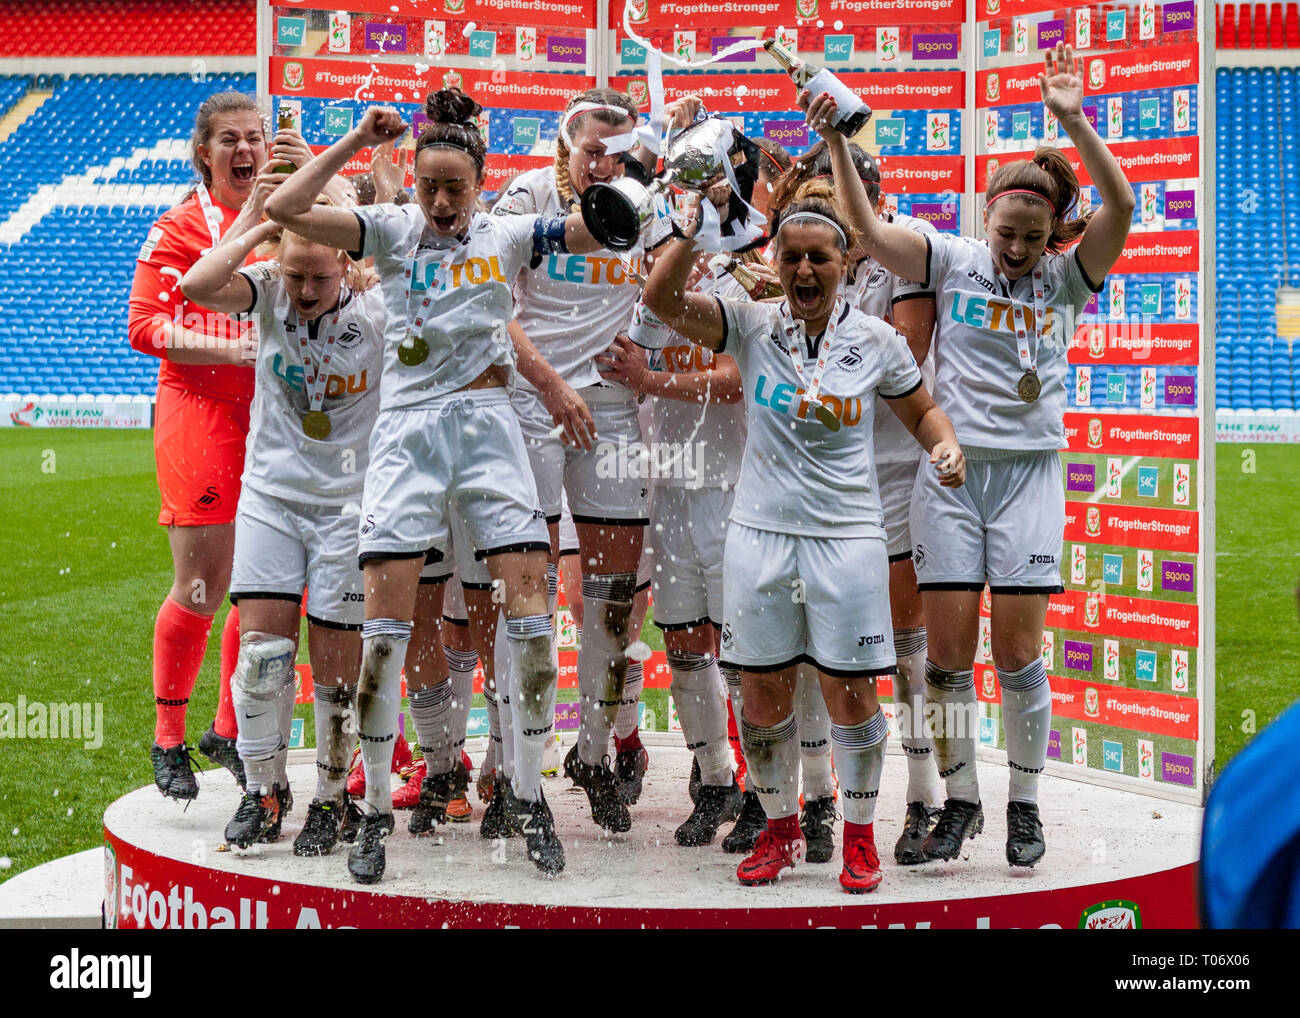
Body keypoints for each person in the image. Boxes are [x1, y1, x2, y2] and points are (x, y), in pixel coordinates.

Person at [264, 89, 607, 882]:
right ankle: (377, 811)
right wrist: (355, 139)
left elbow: (599, 224)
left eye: (457, 186)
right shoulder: (388, 229)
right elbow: (286, 204)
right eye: (429, 186)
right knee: (384, 630)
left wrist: (638, 182)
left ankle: (528, 798)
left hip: (490, 428)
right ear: (412, 183)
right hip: (409, 434)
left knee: (528, 624)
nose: (443, 202)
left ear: (483, 182)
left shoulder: (510, 232)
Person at [643, 92, 965, 892]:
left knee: (852, 695)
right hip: (759, 535)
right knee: (762, 695)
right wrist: (691, 230)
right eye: (793, 258)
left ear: (847, 261)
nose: (806, 269)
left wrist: (945, 445)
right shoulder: (751, 323)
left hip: (850, 538)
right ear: (777, 263)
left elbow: (922, 407)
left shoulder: (877, 339)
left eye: (821, 257)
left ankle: (859, 837)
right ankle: (780, 830)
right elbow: (660, 303)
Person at [849, 43, 1132, 867]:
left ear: (1052, 236)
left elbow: (1121, 205)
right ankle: (960, 799)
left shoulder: (1067, 280)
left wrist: (1074, 121)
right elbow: (866, 230)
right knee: (944, 660)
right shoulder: (949, 258)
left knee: (1015, 654)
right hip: (953, 475)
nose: (1016, 249)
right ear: (985, 218)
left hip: (1029, 480)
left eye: (1032, 237)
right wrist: (837, 140)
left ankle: (1026, 805)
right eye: (1007, 231)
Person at [596, 138, 791, 849]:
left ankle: (769, 795)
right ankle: (713, 780)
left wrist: (650, 381)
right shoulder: (649, 265)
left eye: (704, 186)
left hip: (736, 489)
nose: (691, 196)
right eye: (680, 186)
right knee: (682, 645)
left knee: (743, 652)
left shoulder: (749, 275)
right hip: (668, 491)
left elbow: (744, 377)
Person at [180, 178, 383, 856]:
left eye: (319, 275)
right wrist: (262, 232)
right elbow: (197, 285)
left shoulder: (380, 310)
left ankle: (332, 798)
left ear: (349, 266)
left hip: (348, 507)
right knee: (264, 658)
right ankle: (263, 791)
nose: (303, 289)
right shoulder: (266, 289)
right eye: (294, 273)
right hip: (270, 496)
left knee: (334, 670)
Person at [127, 91, 312, 800]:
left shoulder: (287, 218)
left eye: (255, 138)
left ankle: (228, 729)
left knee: (267, 587)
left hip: (276, 415)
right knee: (202, 586)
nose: (245, 149)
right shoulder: (177, 227)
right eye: (229, 139)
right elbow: (144, 327)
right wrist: (230, 350)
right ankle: (168, 738)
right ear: (204, 152)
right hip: (200, 409)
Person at [492, 87, 660, 834]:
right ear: (565, 142)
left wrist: (648, 364)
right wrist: (552, 384)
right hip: (533, 402)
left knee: (612, 596)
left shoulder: (644, 202)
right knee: (522, 593)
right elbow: (491, 304)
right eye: (590, 149)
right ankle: (510, 768)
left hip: (613, 410)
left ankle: (592, 753)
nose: (602, 164)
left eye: (616, 154)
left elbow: (676, 284)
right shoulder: (525, 196)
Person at [777, 138, 946, 863]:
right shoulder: (796, 260)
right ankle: (818, 797)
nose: (831, 214)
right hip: (815, 479)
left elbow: (905, 351)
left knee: (908, 650)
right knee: (814, 648)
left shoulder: (908, 250)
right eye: (818, 200)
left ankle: (925, 794)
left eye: (843, 200)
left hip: (895, 473)